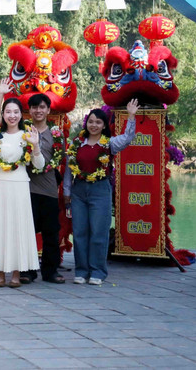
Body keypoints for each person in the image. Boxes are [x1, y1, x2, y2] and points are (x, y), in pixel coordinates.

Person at [63, 99, 138, 285]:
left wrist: (131, 116)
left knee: (98, 232)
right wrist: (67, 192)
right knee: (79, 232)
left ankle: (97, 271)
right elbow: (68, 171)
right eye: (91, 121)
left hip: (100, 190)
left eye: (98, 122)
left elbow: (127, 138)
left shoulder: (109, 144)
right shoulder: (76, 144)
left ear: (104, 125)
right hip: (79, 191)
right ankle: (81, 271)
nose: (94, 125)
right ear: (86, 123)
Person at [0, 98, 44, 288]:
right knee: (0, 226)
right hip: (0, 185)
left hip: (20, 186)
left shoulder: (27, 136)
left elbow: (39, 165)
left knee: (18, 227)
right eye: (8, 112)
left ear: (21, 114)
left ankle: (16, 272)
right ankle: (0, 273)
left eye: (16, 112)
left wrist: (36, 146)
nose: (12, 116)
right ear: (3, 115)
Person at [23, 92, 67, 284]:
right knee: (27, 232)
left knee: (51, 232)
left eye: (42, 107)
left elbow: (59, 160)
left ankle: (50, 271)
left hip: (49, 190)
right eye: (34, 107)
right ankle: (27, 271)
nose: (38, 111)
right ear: (29, 110)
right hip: (27, 190)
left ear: (48, 110)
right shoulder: (22, 132)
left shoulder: (56, 135)